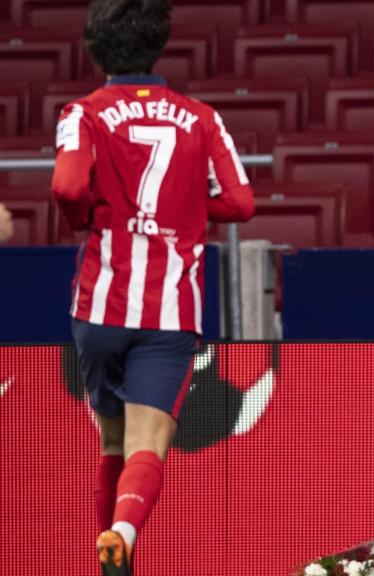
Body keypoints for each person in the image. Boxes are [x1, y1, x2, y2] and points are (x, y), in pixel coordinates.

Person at [50, 1, 255, 574]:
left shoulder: (83, 112)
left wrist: (86, 218)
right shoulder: (202, 117)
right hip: (169, 310)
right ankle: (122, 531)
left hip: (101, 304)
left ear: (96, 50)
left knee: (111, 442)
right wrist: (185, 209)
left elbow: (68, 187)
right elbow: (241, 202)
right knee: (148, 442)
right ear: (159, 46)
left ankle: (111, 563)